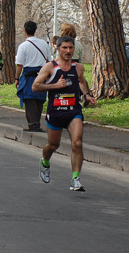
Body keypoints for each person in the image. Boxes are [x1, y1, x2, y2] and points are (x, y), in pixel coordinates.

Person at [32, 35, 97, 191]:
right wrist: (55, 85)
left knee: (77, 142)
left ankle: (75, 179)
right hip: (55, 112)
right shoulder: (50, 67)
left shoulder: (78, 68)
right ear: (58, 48)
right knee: (53, 144)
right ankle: (45, 162)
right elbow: (35, 86)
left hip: (74, 111)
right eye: (65, 48)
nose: (68, 51)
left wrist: (87, 95)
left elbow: (81, 81)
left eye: (71, 48)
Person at [15, 21, 52, 132]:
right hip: (42, 74)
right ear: (35, 30)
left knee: (29, 99)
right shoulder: (43, 44)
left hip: (29, 76)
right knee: (39, 99)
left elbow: (19, 65)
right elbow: (49, 60)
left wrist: (17, 78)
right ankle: (36, 123)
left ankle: (33, 124)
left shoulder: (23, 46)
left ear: (25, 30)